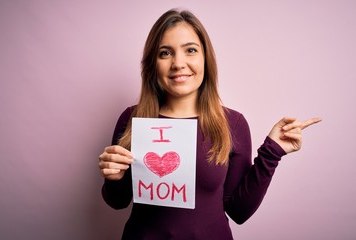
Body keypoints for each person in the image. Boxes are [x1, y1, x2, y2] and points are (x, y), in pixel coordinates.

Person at [98, 8, 321, 240]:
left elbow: (239, 211)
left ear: (206, 58)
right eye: (165, 53)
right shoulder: (132, 119)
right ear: (153, 64)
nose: (178, 63)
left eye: (190, 50)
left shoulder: (232, 124)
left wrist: (272, 152)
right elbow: (117, 202)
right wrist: (113, 177)